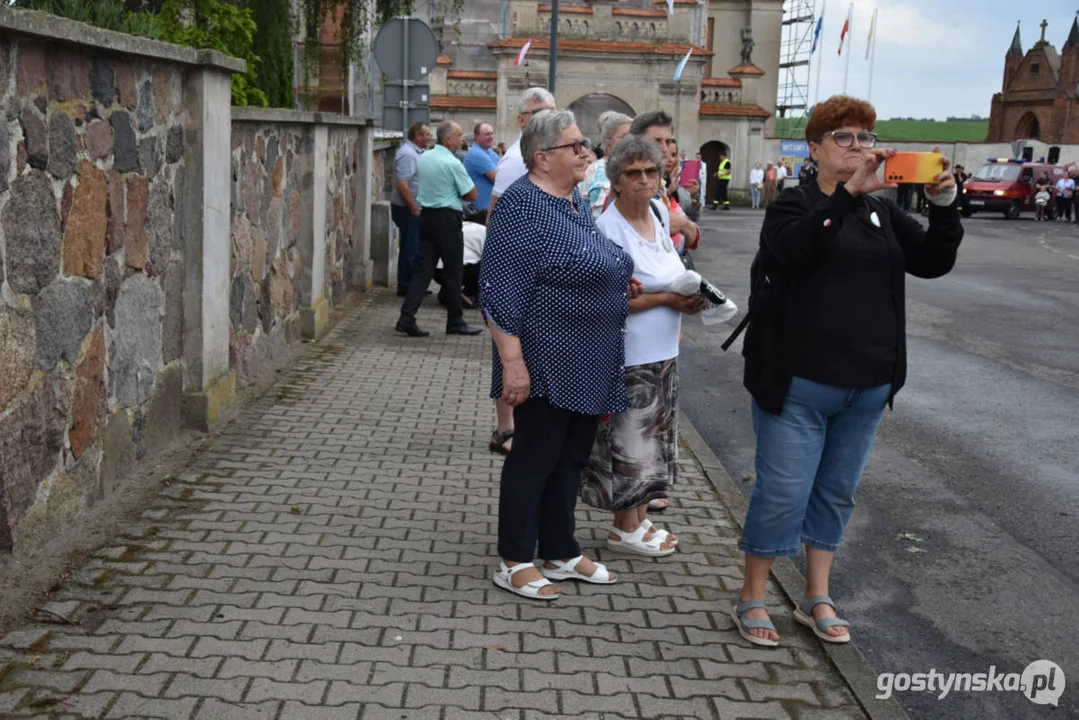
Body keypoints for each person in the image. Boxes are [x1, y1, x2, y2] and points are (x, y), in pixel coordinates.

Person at [734, 95, 963, 647]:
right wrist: (847, 195)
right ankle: (753, 597)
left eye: (865, 137)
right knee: (783, 492)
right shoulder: (793, 205)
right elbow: (795, 250)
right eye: (845, 138)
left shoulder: (882, 213)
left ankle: (817, 596)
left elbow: (933, 261)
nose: (860, 147)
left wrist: (945, 203)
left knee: (836, 492)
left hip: (867, 383)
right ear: (814, 149)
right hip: (798, 382)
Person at [481, 109, 640, 600]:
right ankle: (514, 559)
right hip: (547, 358)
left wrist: (616, 274)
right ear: (542, 157)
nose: (585, 152)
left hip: (588, 359)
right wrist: (513, 362)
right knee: (535, 457)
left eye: (583, 143)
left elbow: (580, 258)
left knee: (570, 459)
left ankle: (560, 549)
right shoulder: (521, 206)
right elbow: (498, 291)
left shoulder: (570, 201)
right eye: (574, 146)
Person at [581, 134, 707, 556]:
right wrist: (670, 299)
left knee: (654, 440)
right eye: (632, 173)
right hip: (628, 353)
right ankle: (624, 529)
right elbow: (611, 298)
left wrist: (688, 297)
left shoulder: (656, 211)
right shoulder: (607, 228)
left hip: (664, 349)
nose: (643, 180)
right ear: (615, 181)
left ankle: (639, 518)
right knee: (630, 443)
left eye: (651, 172)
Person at [485, 87, 556, 457]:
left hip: (538, 268)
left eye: (552, 112)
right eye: (539, 112)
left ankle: (519, 425)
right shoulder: (516, 160)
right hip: (518, 269)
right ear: (522, 119)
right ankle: (505, 429)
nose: (546, 118)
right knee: (508, 347)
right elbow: (495, 215)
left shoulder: (545, 156)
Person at [395, 121, 483, 338]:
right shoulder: (452, 163)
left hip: (427, 216)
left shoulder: (424, 157)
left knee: (423, 270)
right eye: (460, 135)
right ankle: (455, 320)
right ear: (448, 139)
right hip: (448, 219)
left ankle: (406, 316)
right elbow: (472, 195)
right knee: (454, 271)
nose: (463, 139)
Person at [390, 122, 430, 297]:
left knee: (416, 247)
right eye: (427, 134)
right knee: (410, 247)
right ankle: (405, 285)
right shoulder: (408, 154)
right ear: (418, 136)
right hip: (408, 209)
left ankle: (414, 285)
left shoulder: (416, 153)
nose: (429, 137)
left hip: (414, 208)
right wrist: (414, 208)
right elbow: (402, 184)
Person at [585, 111, 633, 219]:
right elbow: (605, 217)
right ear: (608, 143)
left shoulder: (626, 168)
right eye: (625, 137)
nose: (631, 142)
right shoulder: (600, 173)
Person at [464, 123, 500, 217]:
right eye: (487, 134)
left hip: (489, 210)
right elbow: (498, 179)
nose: (491, 137)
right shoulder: (476, 154)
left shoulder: (490, 152)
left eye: (492, 133)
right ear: (476, 136)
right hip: (480, 211)